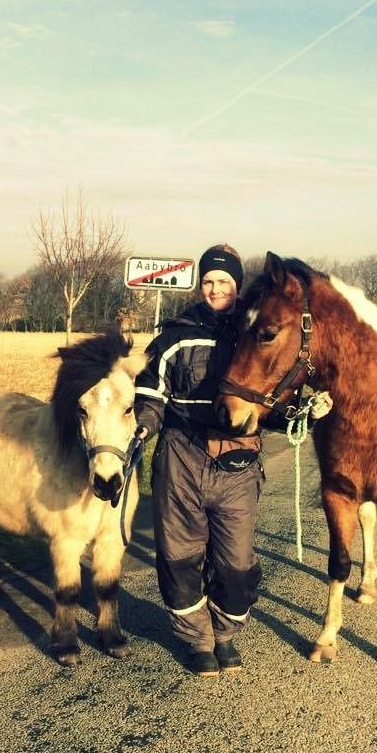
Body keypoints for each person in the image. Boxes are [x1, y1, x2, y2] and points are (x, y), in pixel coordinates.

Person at [133, 244, 266, 677]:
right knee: (180, 555)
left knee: (237, 563)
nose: (214, 289)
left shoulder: (255, 334)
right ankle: (199, 640)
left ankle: (225, 631)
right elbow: (152, 393)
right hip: (180, 456)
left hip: (237, 462)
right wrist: (143, 426)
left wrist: (304, 412)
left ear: (237, 286)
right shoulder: (176, 335)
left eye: (223, 282)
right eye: (208, 281)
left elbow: (272, 395)